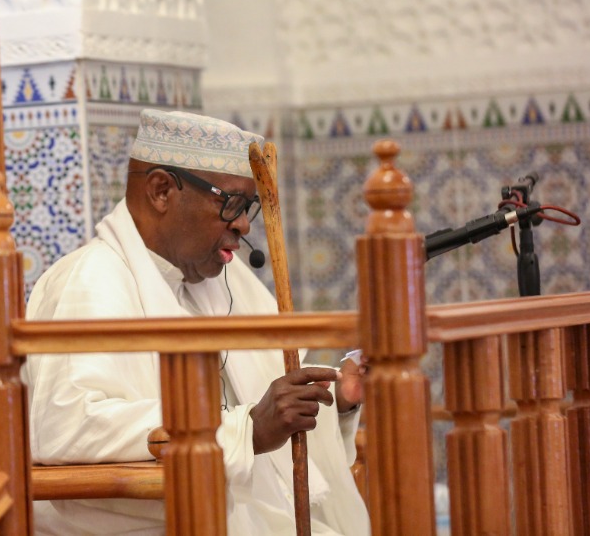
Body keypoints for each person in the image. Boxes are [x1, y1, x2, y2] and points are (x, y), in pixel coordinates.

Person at [23, 109, 370, 535]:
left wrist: (338, 398)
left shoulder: (229, 284)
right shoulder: (90, 280)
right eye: (231, 203)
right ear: (162, 191)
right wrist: (246, 430)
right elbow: (67, 429)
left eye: (250, 207)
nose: (243, 225)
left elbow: (273, 417)